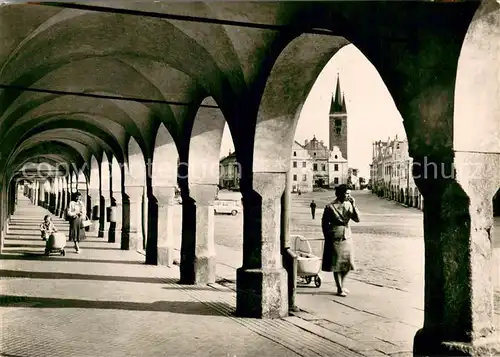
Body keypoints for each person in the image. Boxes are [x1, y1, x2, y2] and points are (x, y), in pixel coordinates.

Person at [321, 184, 360, 297]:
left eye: (349, 193)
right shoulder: (330, 207)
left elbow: (357, 219)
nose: (349, 195)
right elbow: (324, 223)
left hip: (347, 237)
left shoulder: (349, 204)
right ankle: (339, 288)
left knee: (348, 264)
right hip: (335, 237)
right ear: (340, 194)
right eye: (347, 193)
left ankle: (342, 284)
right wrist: (328, 236)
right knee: (337, 265)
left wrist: (354, 205)